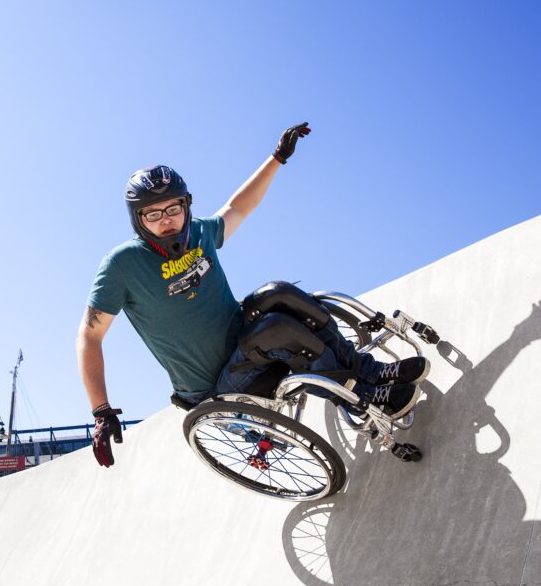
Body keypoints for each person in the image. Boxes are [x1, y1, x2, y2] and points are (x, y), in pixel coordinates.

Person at [76, 123, 429, 467]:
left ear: (186, 205)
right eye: (152, 213)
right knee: (275, 329)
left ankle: (369, 371)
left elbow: (238, 208)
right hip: (217, 387)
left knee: (279, 292)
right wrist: (101, 411)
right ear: (138, 220)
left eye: (173, 208)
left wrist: (277, 158)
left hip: (243, 340)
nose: (166, 219)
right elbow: (90, 336)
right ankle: (360, 397)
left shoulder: (199, 234)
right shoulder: (123, 265)